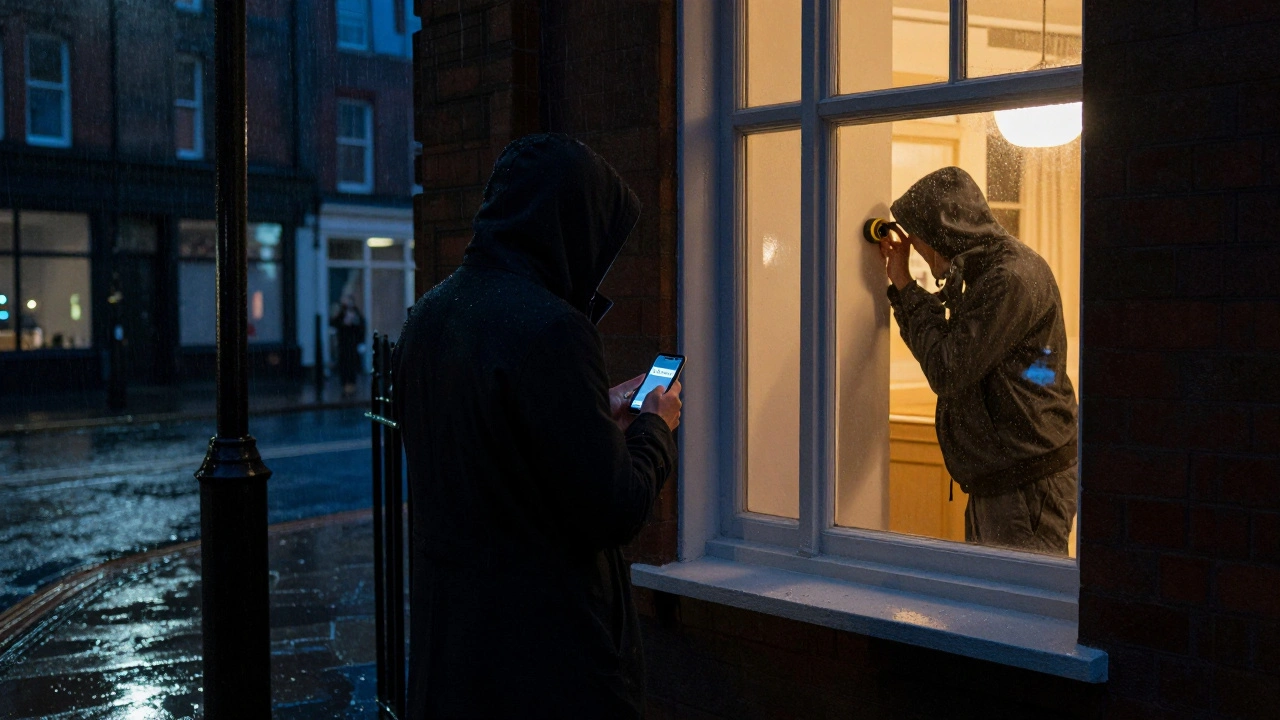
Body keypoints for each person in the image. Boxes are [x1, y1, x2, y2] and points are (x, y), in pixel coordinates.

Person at [394, 133, 682, 718]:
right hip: (544, 662)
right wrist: (655, 426)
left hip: (451, 652)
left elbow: (490, 440)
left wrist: (591, 410)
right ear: (568, 223)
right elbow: (616, 506)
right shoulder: (552, 328)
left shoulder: (429, 313)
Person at [879, 166, 1077, 556]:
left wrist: (905, 286)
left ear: (941, 234)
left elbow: (947, 368)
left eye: (919, 239)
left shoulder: (1009, 278)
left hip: (1024, 484)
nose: (915, 248)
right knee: (1001, 601)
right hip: (1011, 478)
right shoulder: (994, 271)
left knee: (1015, 607)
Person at [330, 293, 365, 397]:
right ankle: (345, 385)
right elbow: (334, 323)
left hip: (352, 344)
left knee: (352, 364)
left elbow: (361, 327)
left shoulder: (356, 313)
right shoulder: (341, 313)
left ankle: (351, 385)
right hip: (343, 343)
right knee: (344, 364)